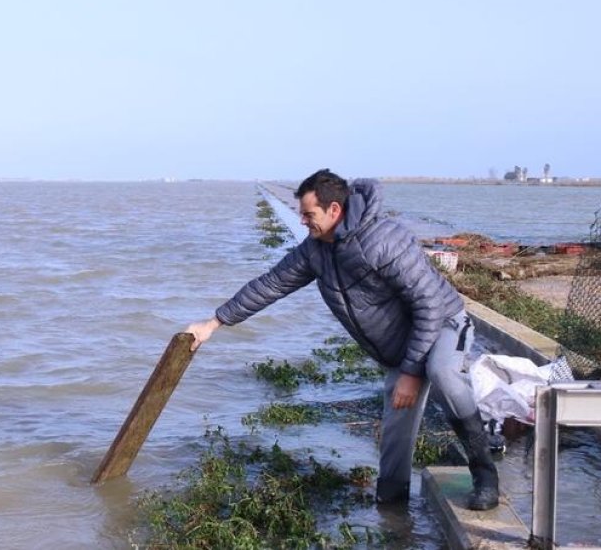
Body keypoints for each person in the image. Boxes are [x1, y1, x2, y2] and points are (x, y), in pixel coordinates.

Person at [185, 169, 499, 510]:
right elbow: (270, 285)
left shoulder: (384, 239)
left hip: (443, 324)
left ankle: (485, 475)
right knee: (396, 429)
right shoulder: (315, 251)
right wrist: (213, 323)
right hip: (400, 347)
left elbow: (429, 304)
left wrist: (411, 372)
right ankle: (392, 507)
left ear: (334, 210)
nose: (302, 221)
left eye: (308, 214)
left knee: (444, 375)